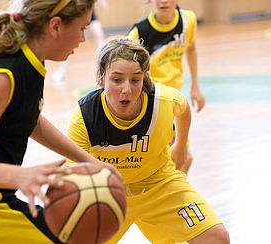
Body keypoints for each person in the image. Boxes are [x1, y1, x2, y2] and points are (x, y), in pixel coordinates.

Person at [0, 0, 121, 243]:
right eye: (82, 28)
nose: (83, 39)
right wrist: (21, 177)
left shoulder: (30, 61)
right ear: (56, 26)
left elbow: (30, 120)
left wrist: (90, 161)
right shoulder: (3, 74)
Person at [67, 37, 229, 243]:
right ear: (101, 77)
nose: (127, 89)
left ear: (144, 78)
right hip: (110, 196)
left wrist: (180, 144)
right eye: (117, 80)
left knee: (216, 237)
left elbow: (183, 107)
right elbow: (74, 170)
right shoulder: (85, 116)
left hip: (160, 185)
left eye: (135, 80)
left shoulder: (162, 100)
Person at [128, 0, 205, 174]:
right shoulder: (139, 33)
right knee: (182, 159)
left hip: (175, 99)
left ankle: (169, 197)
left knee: (181, 159)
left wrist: (195, 86)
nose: (163, 1)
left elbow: (191, 48)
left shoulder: (188, 20)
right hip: (152, 100)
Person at [51, 0, 108, 83]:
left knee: (98, 34)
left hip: (86, 5)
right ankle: (61, 70)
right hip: (73, 7)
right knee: (67, 40)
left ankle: (104, 65)